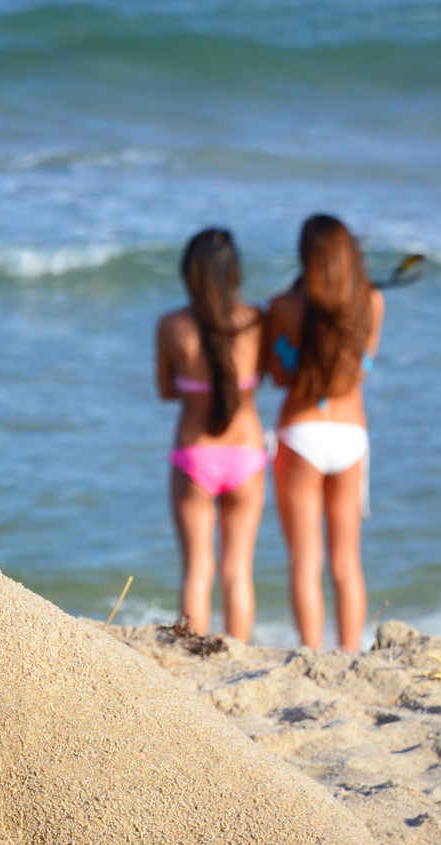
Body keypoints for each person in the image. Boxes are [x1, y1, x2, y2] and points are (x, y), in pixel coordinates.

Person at [264, 213, 385, 651]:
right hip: (351, 434)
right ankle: (351, 650)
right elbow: (362, 370)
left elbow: (278, 375)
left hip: (301, 432)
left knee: (304, 560)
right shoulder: (371, 303)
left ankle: (312, 651)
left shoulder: (283, 307)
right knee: (347, 561)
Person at [155, 227, 268, 641]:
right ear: (235, 272)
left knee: (197, 571)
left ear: (189, 273)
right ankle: (237, 652)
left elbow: (166, 390)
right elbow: (269, 373)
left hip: (194, 454)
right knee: (238, 572)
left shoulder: (172, 326)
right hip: (247, 453)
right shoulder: (257, 320)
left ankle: (195, 654)